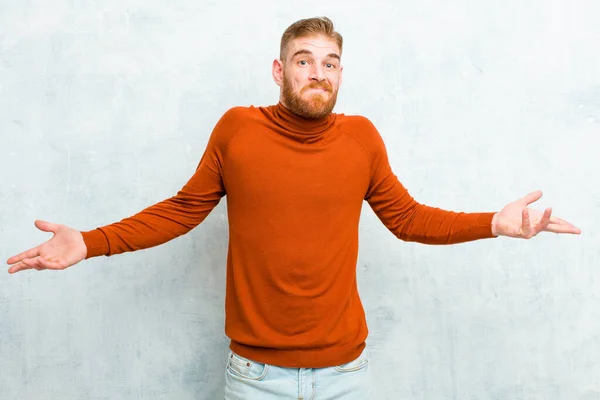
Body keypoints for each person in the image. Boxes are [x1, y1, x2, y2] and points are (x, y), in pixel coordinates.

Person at [7, 16, 580, 399]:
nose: (318, 73)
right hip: (254, 377)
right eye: (304, 61)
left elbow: (407, 219)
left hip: (346, 376)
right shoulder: (238, 130)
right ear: (280, 71)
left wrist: (493, 223)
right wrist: (90, 240)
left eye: (329, 63)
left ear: (339, 74)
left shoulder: (362, 138)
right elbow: (183, 209)